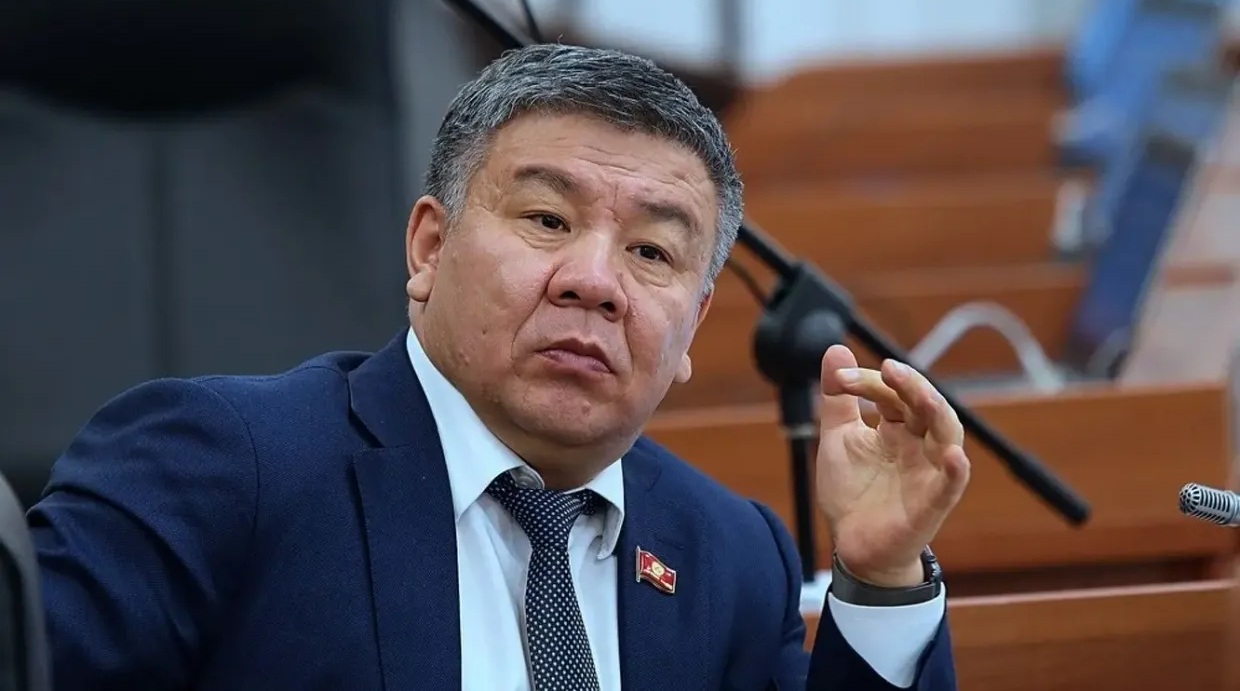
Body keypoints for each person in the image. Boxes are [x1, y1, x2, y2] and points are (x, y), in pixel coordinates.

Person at [28, 44, 970, 690]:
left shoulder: (727, 553)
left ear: (693, 327)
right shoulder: (220, 466)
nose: (595, 282)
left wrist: (882, 575)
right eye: (548, 220)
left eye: (651, 252)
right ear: (429, 249)